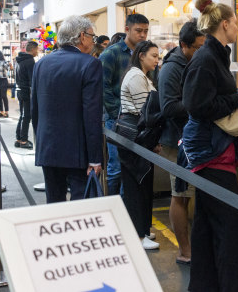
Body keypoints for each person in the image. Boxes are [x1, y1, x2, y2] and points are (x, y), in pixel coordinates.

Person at [182, 0, 238, 292]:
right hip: (210, 151)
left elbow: (210, 95)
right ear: (224, 24)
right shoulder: (207, 57)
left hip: (213, 149)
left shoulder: (215, 55)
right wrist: (236, 99)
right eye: (236, 22)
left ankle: (205, 285)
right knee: (231, 225)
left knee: (207, 222)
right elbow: (196, 104)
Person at [31, 15, 103, 203]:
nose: (93, 42)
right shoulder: (90, 64)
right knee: (80, 207)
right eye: (92, 37)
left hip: (48, 147)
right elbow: (92, 114)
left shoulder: (41, 64)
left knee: (54, 203)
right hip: (77, 151)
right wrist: (95, 158)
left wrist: (40, 142)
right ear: (81, 36)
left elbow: (35, 109)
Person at [158, 19, 205, 265]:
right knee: (180, 195)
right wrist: (201, 104)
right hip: (176, 141)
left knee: (187, 194)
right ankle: (185, 251)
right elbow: (168, 107)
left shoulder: (189, 62)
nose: (201, 52)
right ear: (184, 45)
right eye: (197, 47)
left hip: (189, 140)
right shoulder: (172, 68)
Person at [117, 40, 160, 250]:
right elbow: (146, 111)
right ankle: (137, 234)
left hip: (138, 136)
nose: (157, 60)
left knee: (143, 184)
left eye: (158, 56)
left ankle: (142, 229)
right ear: (141, 55)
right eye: (153, 56)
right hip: (133, 135)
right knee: (136, 185)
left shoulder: (141, 76)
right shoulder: (135, 76)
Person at [100, 14, 148, 196]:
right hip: (117, 121)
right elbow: (102, 87)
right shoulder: (112, 53)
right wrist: (116, 113)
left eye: (145, 31)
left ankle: (129, 210)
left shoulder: (144, 53)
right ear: (127, 29)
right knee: (116, 168)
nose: (143, 35)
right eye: (138, 31)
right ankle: (113, 208)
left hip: (140, 120)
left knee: (134, 168)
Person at [14, 40, 38, 149]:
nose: (38, 52)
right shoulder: (30, 61)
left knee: (22, 115)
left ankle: (18, 138)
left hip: (19, 90)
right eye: (37, 49)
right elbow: (32, 80)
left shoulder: (18, 60)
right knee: (27, 116)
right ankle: (23, 140)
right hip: (27, 91)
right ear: (32, 49)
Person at [0, 50, 11, 118]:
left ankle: (6, 112)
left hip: (3, 80)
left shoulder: (3, 62)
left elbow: (8, 68)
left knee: (3, 96)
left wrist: (9, 65)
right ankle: (1, 112)